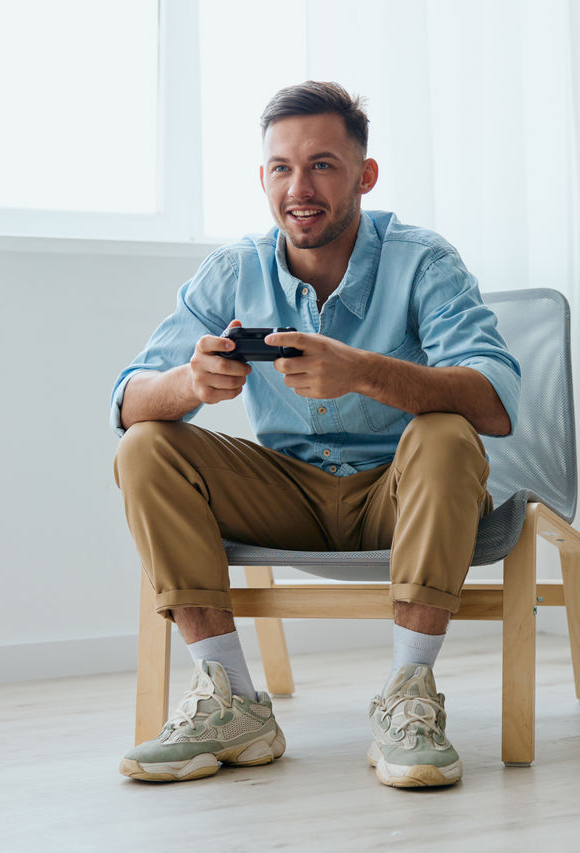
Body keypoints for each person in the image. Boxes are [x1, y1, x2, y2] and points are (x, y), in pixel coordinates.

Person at [110, 81, 520, 789]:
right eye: (281, 167)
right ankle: (233, 699)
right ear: (263, 177)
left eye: (323, 165)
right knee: (144, 444)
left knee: (449, 432)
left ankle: (409, 696)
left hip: (401, 490)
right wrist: (191, 383)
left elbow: (493, 399)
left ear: (365, 175)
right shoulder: (235, 267)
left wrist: (360, 371)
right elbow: (128, 398)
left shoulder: (424, 260)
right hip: (287, 491)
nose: (299, 187)